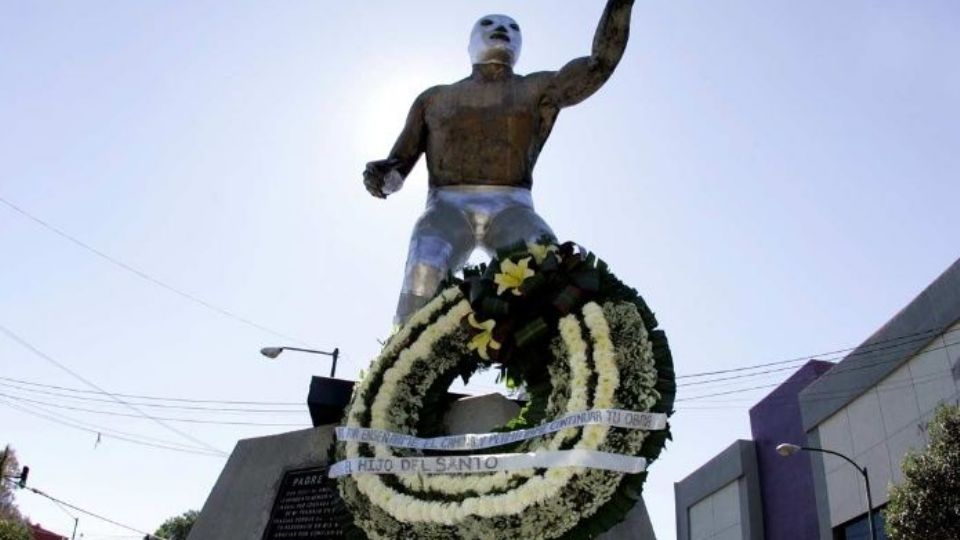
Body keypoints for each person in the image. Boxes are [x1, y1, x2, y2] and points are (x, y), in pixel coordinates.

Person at [363, 1, 635, 325]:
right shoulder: (433, 99)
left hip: (512, 208)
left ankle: (563, 349)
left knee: (546, 262)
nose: (502, 29)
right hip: (446, 207)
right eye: (489, 24)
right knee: (426, 259)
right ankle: (405, 350)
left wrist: (621, 3)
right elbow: (398, 164)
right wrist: (383, 177)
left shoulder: (537, 89)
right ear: (469, 45)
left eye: (512, 27)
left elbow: (598, 65)